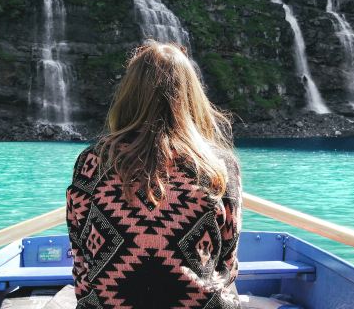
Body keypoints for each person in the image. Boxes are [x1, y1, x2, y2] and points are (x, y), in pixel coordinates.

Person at [66, 41, 242, 309]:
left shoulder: (91, 162)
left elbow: (80, 254)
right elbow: (227, 262)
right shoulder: (220, 166)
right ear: (191, 96)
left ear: (127, 94)